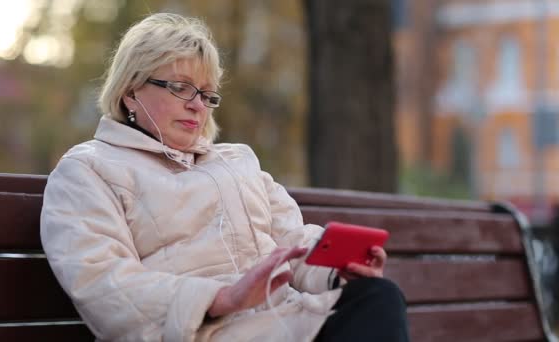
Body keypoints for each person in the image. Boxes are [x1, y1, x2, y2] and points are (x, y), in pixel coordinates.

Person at [40, 12, 409, 342]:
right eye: (180, 87)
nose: (197, 105)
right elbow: (102, 284)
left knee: (377, 297)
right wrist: (221, 298)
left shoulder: (237, 161)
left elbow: (291, 243)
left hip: (284, 324)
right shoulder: (86, 171)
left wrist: (340, 268)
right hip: (204, 332)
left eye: (207, 94)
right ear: (130, 92)